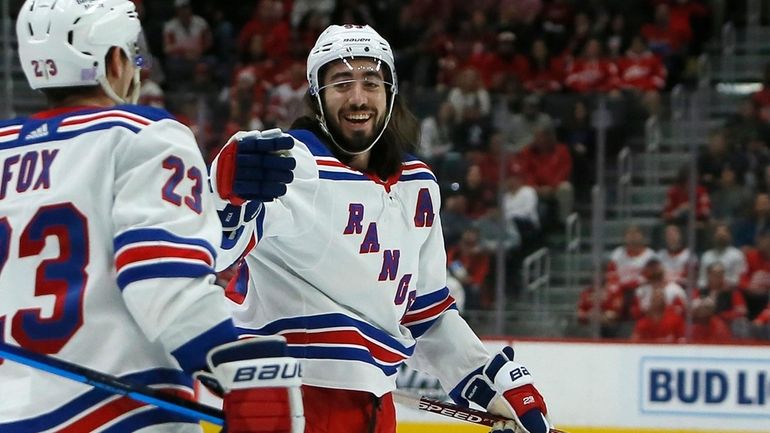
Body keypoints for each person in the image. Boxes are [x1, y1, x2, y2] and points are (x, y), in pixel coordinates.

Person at [210, 24, 551, 433]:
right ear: (317, 97)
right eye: (341, 83)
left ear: (390, 93)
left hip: (375, 409)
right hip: (287, 399)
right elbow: (215, 249)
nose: (358, 97)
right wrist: (224, 196)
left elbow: (427, 314)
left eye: (371, 81)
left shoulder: (418, 186)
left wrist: (492, 381)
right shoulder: (287, 165)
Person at [0, 1, 302, 433]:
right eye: (133, 55)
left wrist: (221, 203)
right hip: (122, 414)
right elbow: (160, 279)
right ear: (114, 59)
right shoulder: (144, 134)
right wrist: (234, 369)